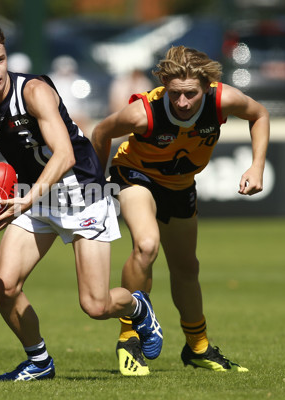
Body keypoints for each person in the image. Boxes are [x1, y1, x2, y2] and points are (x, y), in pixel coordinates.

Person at [0, 21, 163, 381]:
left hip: (82, 192)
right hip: (32, 196)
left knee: (95, 306)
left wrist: (26, 199)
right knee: (3, 286)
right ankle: (39, 362)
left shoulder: (33, 91)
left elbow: (64, 155)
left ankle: (137, 307)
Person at [92, 46, 270, 375]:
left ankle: (198, 348)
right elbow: (101, 132)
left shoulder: (223, 99)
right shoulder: (142, 114)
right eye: (175, 94)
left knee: (187, 267)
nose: (183, 103)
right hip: (134, 175)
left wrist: (256, 166)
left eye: (191, 94)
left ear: (207, 86)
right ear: (163, 84)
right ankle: (129, 337)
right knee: (146, 246)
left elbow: (259, 115)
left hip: (180, 185)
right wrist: (96, 184)